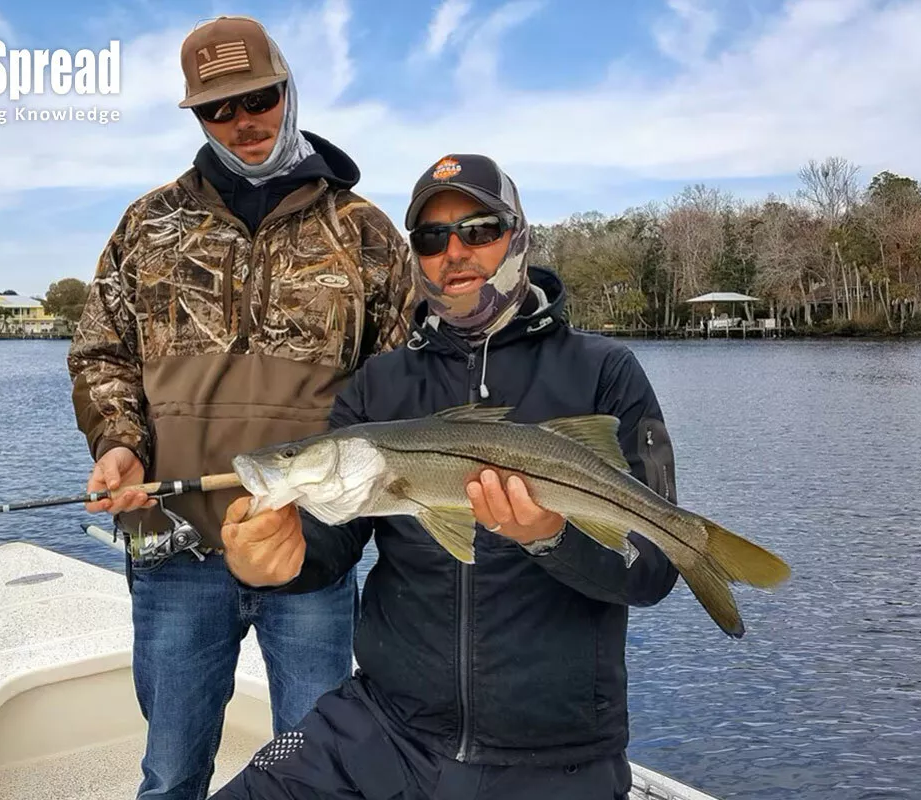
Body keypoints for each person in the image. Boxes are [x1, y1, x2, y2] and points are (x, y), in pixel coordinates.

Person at [212, 154, 682, 800]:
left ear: (517, 236)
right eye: (432, 238)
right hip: (383, 728)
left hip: (559, 760)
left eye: (479, 230)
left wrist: (552, 536)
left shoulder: (605, 374)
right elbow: (330, 545)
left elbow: (654, 567)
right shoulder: (381, 384)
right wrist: (276, 558)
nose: (454, 252)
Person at [66, 15, 414, 800]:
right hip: (175, 545)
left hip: (310, 550)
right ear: (196, 116)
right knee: (171, 770)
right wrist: (117, 442)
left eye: (257, 97)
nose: (242, 121)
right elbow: (100, 353)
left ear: (287, 90)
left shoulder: (364, 232)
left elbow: (398, 389)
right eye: (217, 108)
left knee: (322, 772)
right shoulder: (147, 225)